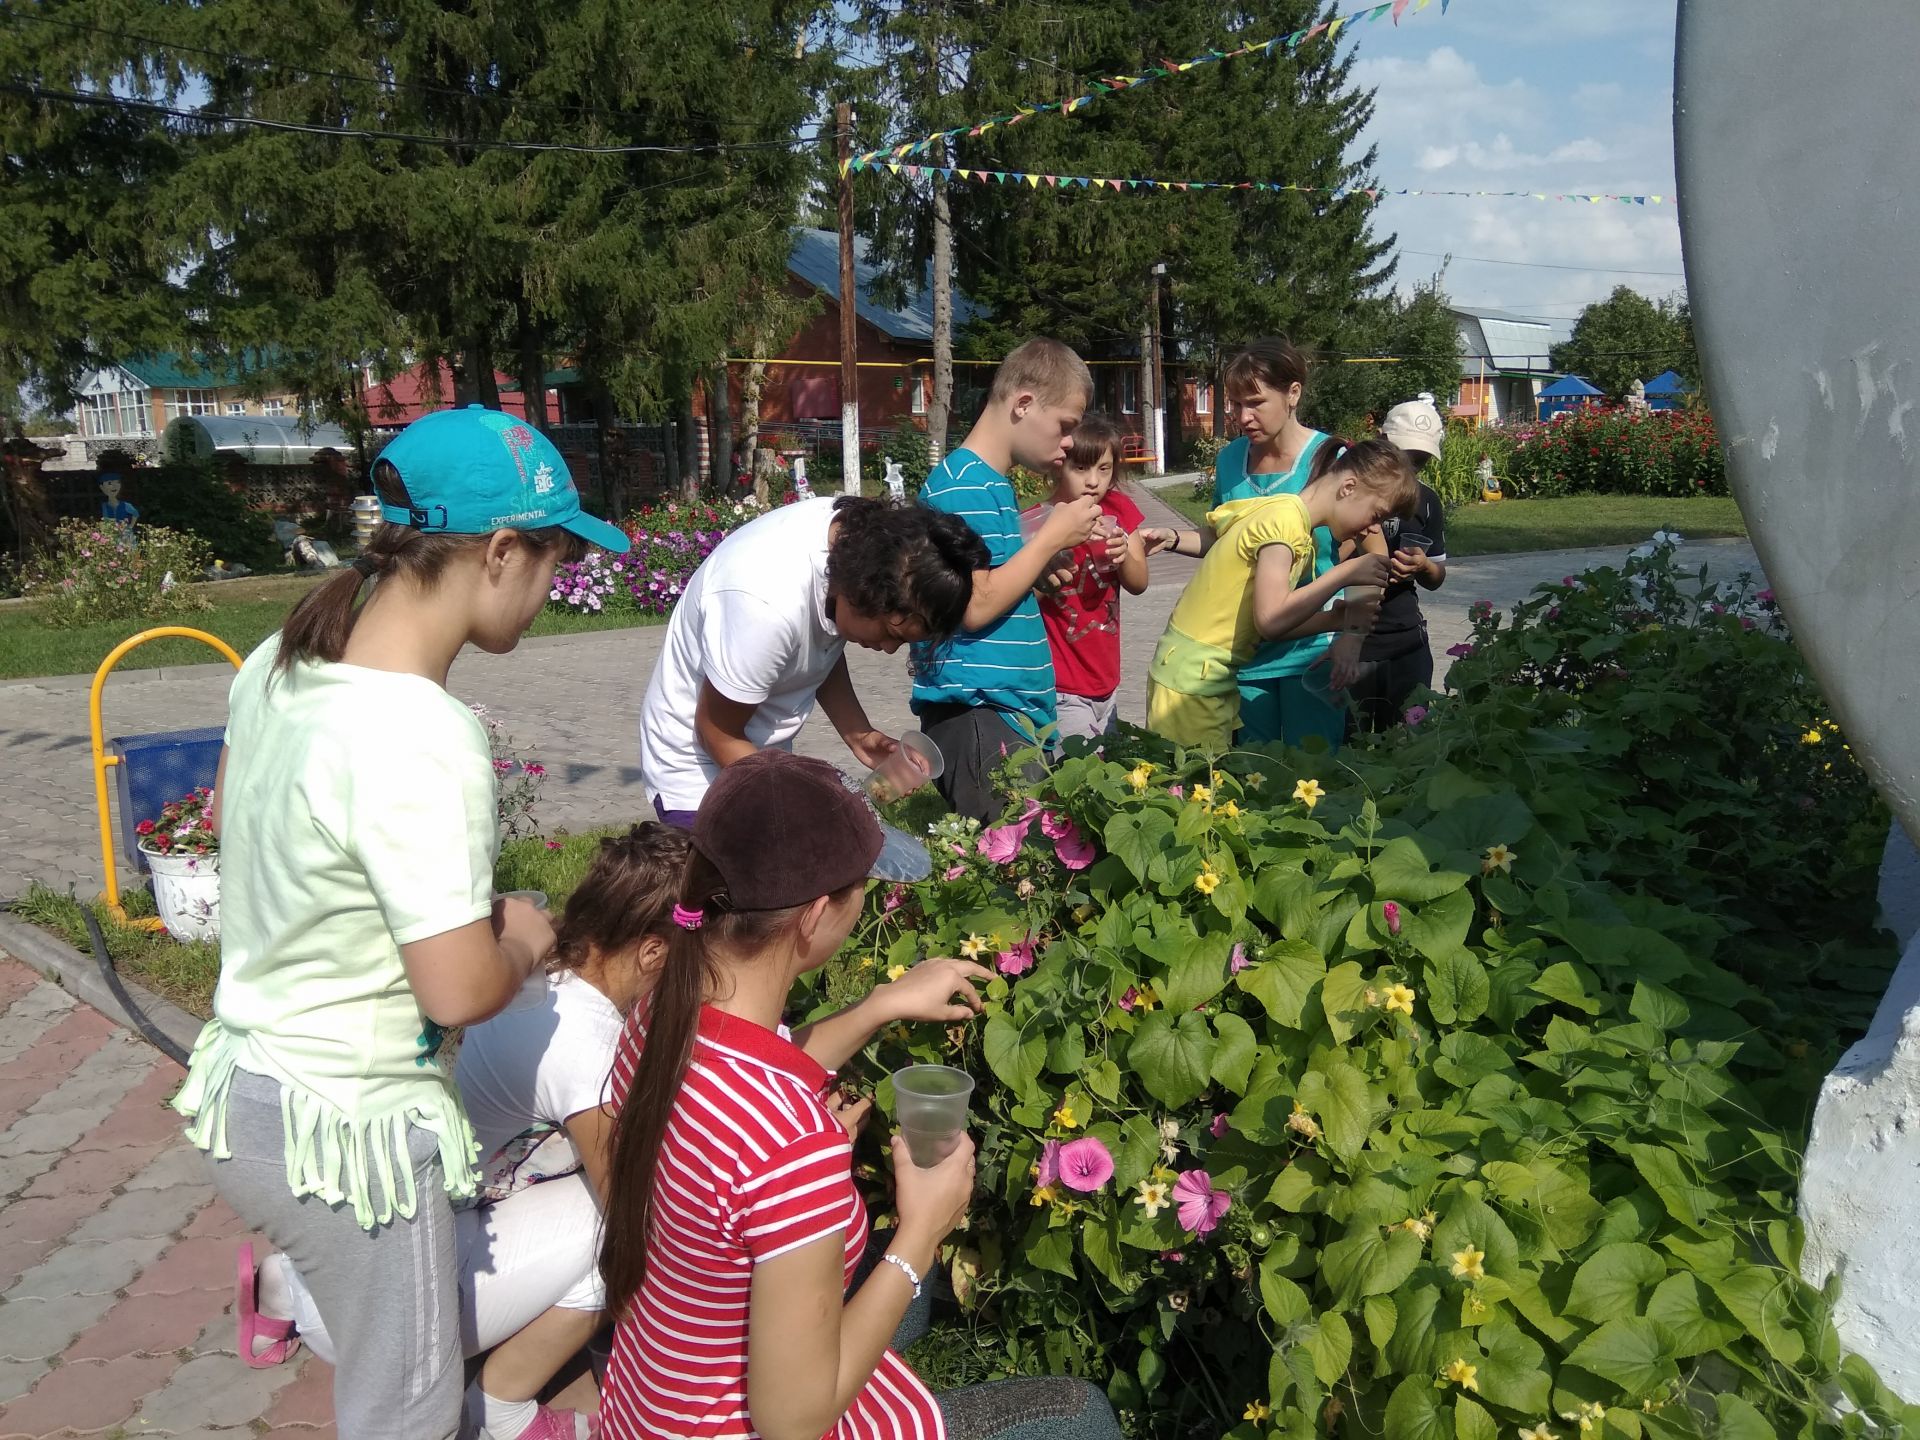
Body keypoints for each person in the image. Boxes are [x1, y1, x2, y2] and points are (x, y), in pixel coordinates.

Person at [172, 406, 630, 1440]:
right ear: (501, 550)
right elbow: (457, 990)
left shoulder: (276, 667)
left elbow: (229, 822)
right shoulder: (424, 732)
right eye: (554, 558)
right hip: (352, 1126)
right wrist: (519, 930)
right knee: (409, 1401)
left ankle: (294, 1301)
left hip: (251, 1082)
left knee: (397, 1358)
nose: (557, 587)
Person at [596, 750, 1121, 1440]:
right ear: (816, 917)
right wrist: (922, 1231)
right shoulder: (789, 1146)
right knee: (1077, 1416)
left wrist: (881, 1004)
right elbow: (793, 1422)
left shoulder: (662, 1013)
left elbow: (760, 1076)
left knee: (901, 1298)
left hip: (650, 1398)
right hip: (743, 1422)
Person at [639, 494, 990, 827]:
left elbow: (818, 645)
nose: (887, 649)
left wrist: (861, 737)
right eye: (890, 633)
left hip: (755, 749)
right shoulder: (765, 605)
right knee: (723, 884)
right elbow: (716, 732)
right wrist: (799, 799)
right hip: (694, 766)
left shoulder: (856, 546)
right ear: (863, 593)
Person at [912, 338, 1103, 820]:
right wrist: (1048, 538)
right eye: (1065, 427)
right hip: (979, 717)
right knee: (1006, 864)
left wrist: (1035, 569)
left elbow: (984, 581)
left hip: (1004, 716)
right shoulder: (964, 485)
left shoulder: (988, 484)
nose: (1068, 443)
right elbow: (974, 606)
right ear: (1023, 404)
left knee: (1025, 861)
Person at [1145, 439, 1415, 750]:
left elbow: (1269, 621)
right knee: (1192, 789)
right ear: (1348, 487)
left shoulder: (1279, 508)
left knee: (1203, 785)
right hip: (1194, 680)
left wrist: (1333, 619)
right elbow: (1271, 621)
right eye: (1376, 514)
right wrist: (1345, 573)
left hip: (1195, 670)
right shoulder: (1286, 525)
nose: (1372, 528)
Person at [1140, 338, 1343, 748]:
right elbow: (1223, 538)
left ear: (1293, 394)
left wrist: (1353, 637)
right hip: (1241, 655)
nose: (1242, 417)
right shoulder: (1230, 459)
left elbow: (1366, 551)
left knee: (1317, 777)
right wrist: (1174, 537)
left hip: (1311, 648)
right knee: (1254, 778)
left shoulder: (1331, 459)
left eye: (1254, 403)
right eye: (1234, 405)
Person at [1036, 415, 1150, 740]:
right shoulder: (1039, 521)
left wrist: (1125, 551)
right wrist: (1049, 555)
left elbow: (1139, 583)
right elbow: (1023, 602)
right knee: (1078, 779)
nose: (1093, 482)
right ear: (1059, 465)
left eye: (1104, 469)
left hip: (1106, 678)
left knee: (1102, 776)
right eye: (1081, 468)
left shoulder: (1119, 509)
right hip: (1062, 682)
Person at [1345, 396, 1450, 732]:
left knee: (1408, 743)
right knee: (1352, 745)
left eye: (1419, 462)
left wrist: (1422, 566)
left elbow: (1437, 576)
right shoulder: (1344, 493)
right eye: (1403, 457)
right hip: (1353, 641)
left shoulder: (1426, 500)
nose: (1409, 469)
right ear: (1381, 440)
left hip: (1406, 640)